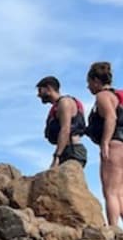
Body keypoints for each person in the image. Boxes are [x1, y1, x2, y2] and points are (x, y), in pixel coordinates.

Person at [86, 61, 123, 226]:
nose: (88, 87)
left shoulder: (103, 96)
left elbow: (111, 117)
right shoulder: (118, 95)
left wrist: (105, 143)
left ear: (95, 80)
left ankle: (113, 230)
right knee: (120, 192)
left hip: (115, 144)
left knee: (110, 192)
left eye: (89, 83)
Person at [36, 75, 87, 168]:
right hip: (66, 150)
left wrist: (57, 156)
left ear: (49, 88)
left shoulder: (65, 102)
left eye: (40, 90)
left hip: (72, 151)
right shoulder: (57, 106)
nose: (38, 95)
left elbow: (65, 129)